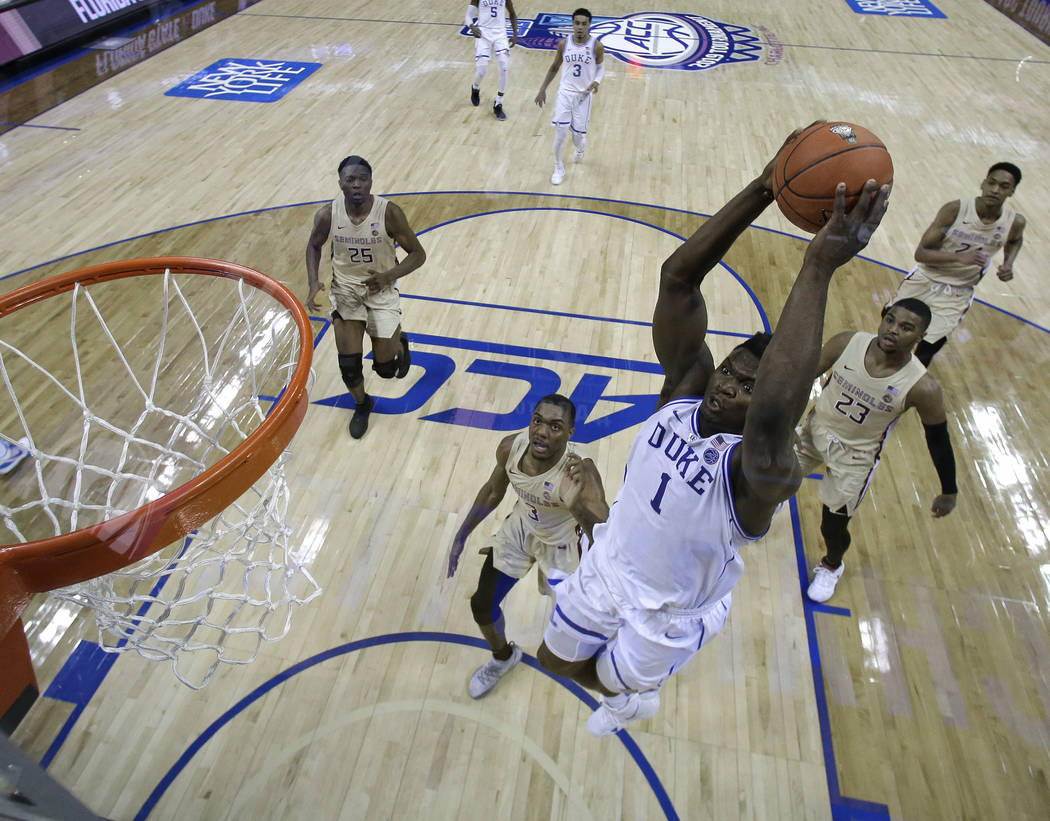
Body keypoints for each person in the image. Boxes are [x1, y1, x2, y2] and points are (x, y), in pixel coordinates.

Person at [535, 127, 891, 737]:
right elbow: (677, 280)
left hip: (669, 614)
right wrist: (763, 186)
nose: (727, 384)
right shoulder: (685, 393)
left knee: (621, 683)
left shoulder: (757, 472)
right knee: (553, 662)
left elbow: (779, 409)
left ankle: (633, 695)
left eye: (747, 386)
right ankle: (627, 685)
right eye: (729, 370)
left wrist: (819, 266)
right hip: (608, 568)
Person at [447, 395, 609, 698]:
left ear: (570, 434)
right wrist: (462, 534)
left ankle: (609, 670)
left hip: (564, 549)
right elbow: (494, 490)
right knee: (482, 605)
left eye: (555, 426)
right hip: (522, 529)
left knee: (573, 628)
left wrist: (578, 505)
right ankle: (503, 657)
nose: (542, 432)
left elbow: (606, 532)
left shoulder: (580, 472)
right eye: (538, 421)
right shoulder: (512, 447)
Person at [797, 298, 958, 603]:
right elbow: (804, 377)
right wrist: (787, 421)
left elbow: (938, 439)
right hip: (813, 430)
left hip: (855, 458)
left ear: (920, 337)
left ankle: (832, 564)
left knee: (832, 525)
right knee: (769, 479)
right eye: (890, 320)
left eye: (906, 328)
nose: (893, 330)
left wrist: (949, 490)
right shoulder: (848, 342)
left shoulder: (923, 387)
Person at [306, 155, 426, 439]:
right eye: (350, 180)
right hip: (346, 291)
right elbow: (313, 246)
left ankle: (399, 341)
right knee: (349, 366)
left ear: (371, 182)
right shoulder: (328, 214)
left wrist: (388, 276)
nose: (357, 185)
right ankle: (362, 403)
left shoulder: (389, 213)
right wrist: (313, 282)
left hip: (381, 290)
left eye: (363, 179)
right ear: (340, 184)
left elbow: (419, 254)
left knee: (386, 370)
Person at [892, 162, 1026, 366]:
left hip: (958, 291)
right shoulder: (955, 210)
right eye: (992, 183)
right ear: (983, 183)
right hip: (926, 279)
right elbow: (921, 253)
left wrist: (1009, 263)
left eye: (1004, 186)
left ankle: (903, 390)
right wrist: (959, 258)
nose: (995, 190)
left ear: (1012, 191)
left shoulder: (1014, 221)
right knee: (894, 337)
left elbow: (1015, 240)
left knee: (927, 351)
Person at [534, 8, 605, 185]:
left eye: (584, 23)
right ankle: (558, 167)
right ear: (572, 24)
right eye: (577, 23)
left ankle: (581, 147)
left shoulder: (596, 46)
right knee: (560, 134)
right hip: (564, 94)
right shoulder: (563, 44)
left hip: (583, 96)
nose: (580, 27)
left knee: (577, 137)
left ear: (589, 25)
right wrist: (542, 89)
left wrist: (596, 80)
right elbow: (554, 67)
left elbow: (601, 67)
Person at [465, 0, 518, 120]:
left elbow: (512, 14)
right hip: (483, 32)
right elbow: (468, 16)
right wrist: (472, 26)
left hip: (500, 33)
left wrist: (515, 34)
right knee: (482, 70)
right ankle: (475, 87)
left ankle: (498, 104)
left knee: (504, 67)